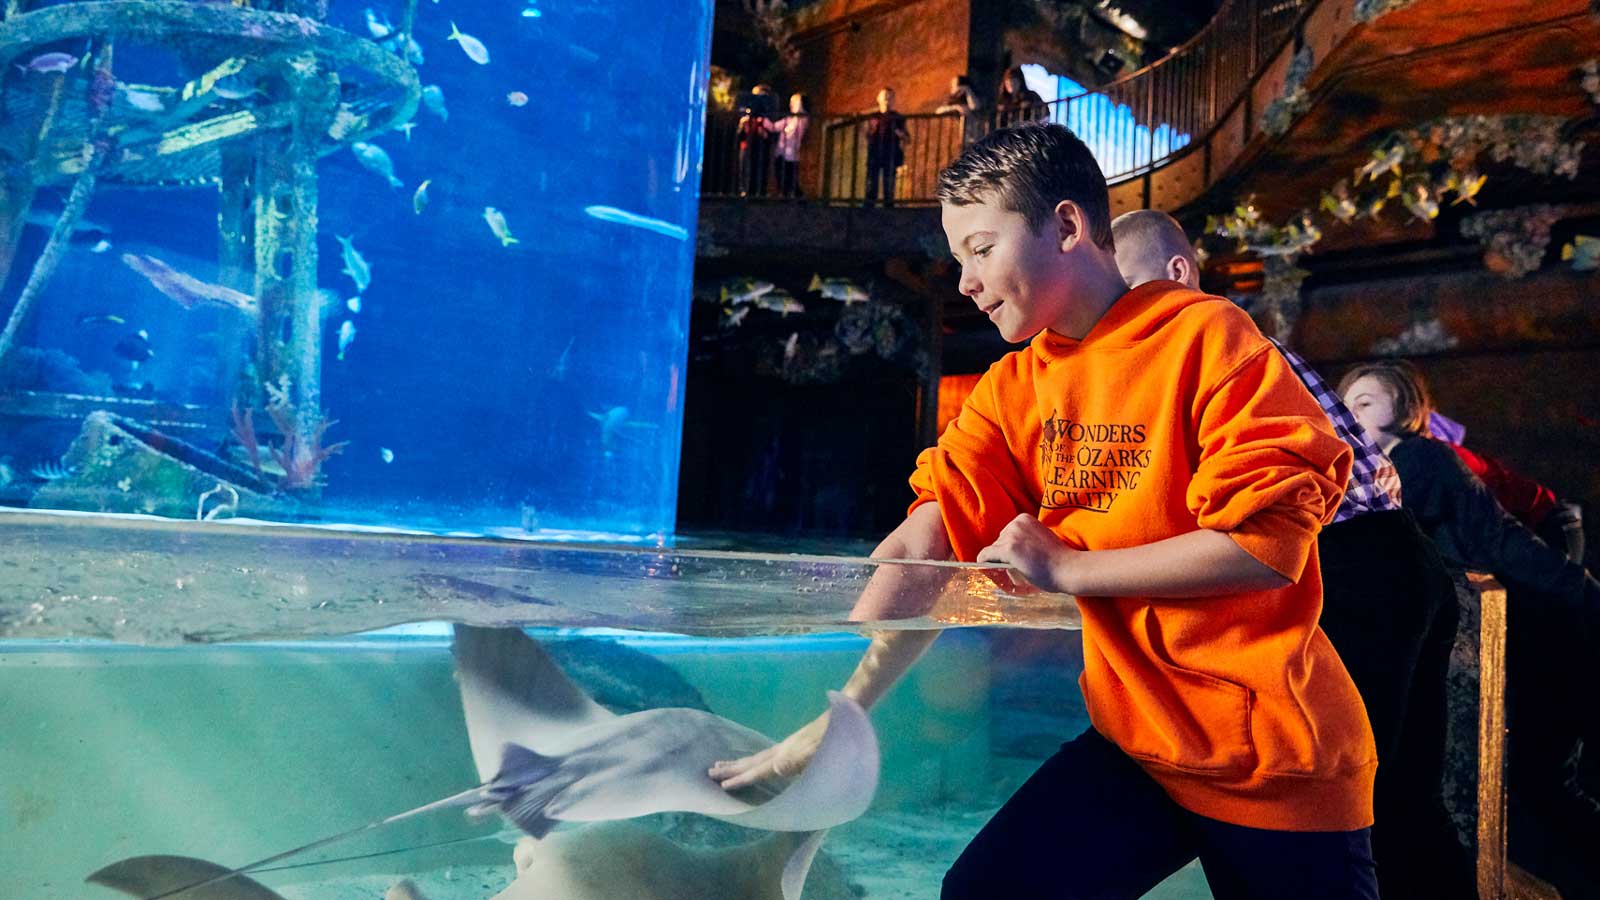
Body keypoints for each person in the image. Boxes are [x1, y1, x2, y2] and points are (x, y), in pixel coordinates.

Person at [712, 124, 1379, 899]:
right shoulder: (1012, 386)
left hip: (1272, 758)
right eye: (957, 256)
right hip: (1138, 746)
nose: (963, 279)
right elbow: (928, 543)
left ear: (1065, 227)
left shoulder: (1208, 336)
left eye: (981, 248)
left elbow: (1268, 548)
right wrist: (831, 724)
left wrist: (1069, 569)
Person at [1112, 209, 1476, 898]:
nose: (1114, 321)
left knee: (1360, 799)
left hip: (1353, 569)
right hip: (1397, 560)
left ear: (1178, 274)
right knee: (1404, 794)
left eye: (1125, 293)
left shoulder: (1212, 345)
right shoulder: (1252, 350)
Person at [1338, 361, 1600, 899]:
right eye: (1348, 402)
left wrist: (1586, 596)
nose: (1352, 410)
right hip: (1504, 631)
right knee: (1535, 787)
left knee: (1541, 784)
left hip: (1536, 624)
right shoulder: (1384, 470)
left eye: (1367, 400)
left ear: (1406, 407)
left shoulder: (1421, 457)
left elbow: (1502, 540)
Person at [863, 87, 908, 208]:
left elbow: (906, 137)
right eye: (885, 96)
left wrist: (899, 132)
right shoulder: (873, 116)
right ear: (879, 99)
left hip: (890, 153)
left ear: (893, 100)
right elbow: (867, 134)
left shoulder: (897, 117)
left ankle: (887, 207)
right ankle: (868, 207)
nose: (887, 99)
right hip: (875, 152)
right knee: (872, 182)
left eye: (890, 96)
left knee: (889, 183)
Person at [767, 92, 810, 198]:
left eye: (793, 102)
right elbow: (774, 127)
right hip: (781, 152)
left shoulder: (802, 118)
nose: (791, 104)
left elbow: (791, 132)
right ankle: (785, 196)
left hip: (791, 154)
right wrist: (764, 120)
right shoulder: (789, 119)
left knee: (790, 177)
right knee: (782, 176)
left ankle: (794, 197)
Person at [936, 74, 983, 146]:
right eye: (953, 85)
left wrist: (967, 90)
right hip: (956, 140)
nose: (955, 88)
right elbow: (938, 112)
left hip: (972, 138)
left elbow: (975, 107)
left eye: (957, 85)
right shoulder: (951, 103)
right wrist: (955, 108)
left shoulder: (970, 101)